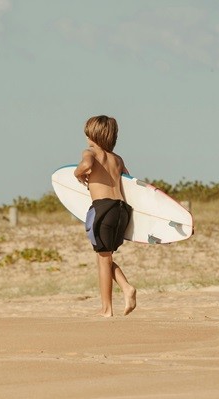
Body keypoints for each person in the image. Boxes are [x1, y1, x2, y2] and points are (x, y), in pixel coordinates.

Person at [74, 115, 136, 317]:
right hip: (122, 210)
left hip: (103, 208)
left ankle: (107, 309)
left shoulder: (91, 152)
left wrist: (78, 174)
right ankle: (126, 288)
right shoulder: (118, 159)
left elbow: (85, 165)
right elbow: (129, 182)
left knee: (103, 259)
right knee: (105, 257)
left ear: (92, 134)